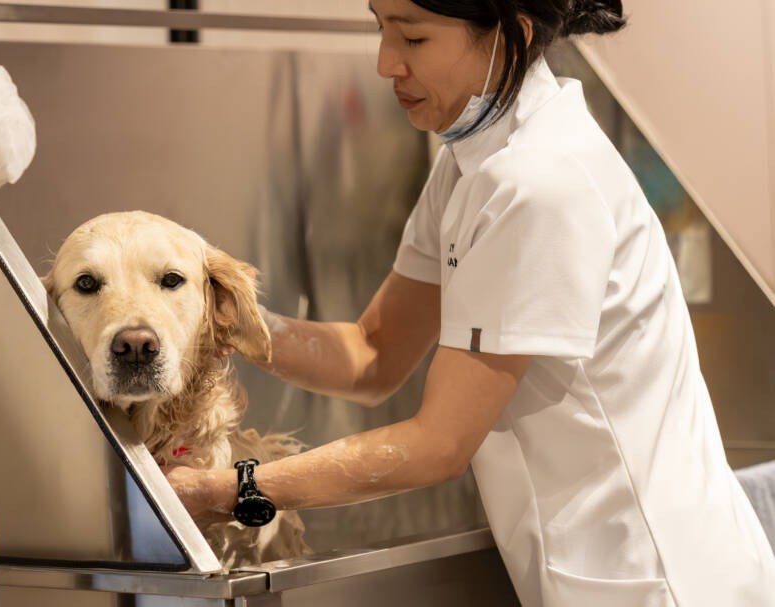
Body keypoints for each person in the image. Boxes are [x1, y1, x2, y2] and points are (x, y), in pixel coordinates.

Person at [165, 1, 775, 604]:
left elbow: (439, 445)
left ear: (512, 34)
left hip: (657, 582)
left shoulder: (540, 183)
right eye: (382, 30)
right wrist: (234, 321)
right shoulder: (469, 163)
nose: (386, 63)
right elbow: (373, 352)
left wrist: (225, 490)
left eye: (414, 40)